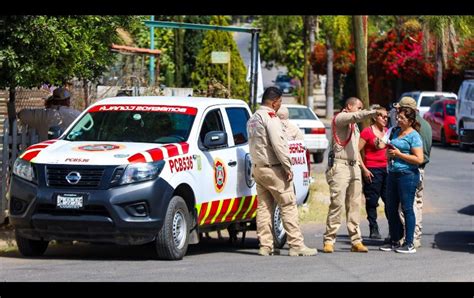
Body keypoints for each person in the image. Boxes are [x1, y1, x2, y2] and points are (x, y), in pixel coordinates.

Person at [247, 86, 317, 257]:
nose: (280, 105)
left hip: (258, 168)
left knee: (264, 207)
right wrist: (287, 166)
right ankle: (296, 245)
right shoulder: (270, 118)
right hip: (274, 169)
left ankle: (265, 246)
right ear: (274, 101)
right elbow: (279, 144)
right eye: (279, 102)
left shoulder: (253, 118)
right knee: (288, 205)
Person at [323, 97, 378, 253]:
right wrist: (372, 112)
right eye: (358, 107)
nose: (360, 111)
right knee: (337, 204)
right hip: (340, 167)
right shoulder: (341, 118)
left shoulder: (354, 126)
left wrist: (363, 167)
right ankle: (329, 239)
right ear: (349, 106)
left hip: (354, 167)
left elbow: (355, 149)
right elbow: (355, 116)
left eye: (362, 108)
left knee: (354, 205)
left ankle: (356, 240)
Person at [379, 106, 424, 254]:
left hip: (408, 175)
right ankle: (394, 239)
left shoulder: (414, 136)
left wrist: (399, 154)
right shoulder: (395, 131)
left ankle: (409, 243)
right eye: (398, 117)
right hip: (392, 173)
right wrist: (389, 153)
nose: (398, 119)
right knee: (390, 208)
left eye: (402, 118)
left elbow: (419, 159)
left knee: (407, 208)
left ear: (410, 121)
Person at [393, 97, 432, 248]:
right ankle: (416, 235)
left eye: (400, 109)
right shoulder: (427, 125)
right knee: (418, 204)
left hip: (411, 168)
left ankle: (410, 237)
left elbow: (417, 153)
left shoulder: (415, 128)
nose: (397, 112)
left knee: (407, 206)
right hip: (421, 168)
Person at [358, 106, 389, 239]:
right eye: (382, 116)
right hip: (372, 169)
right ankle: (373, 227)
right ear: (375, 117)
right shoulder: (367, 132)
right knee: (372, 201)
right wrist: (364, 169)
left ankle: (393, 229)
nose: (385, 118)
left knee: (389, 200)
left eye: (386, 117)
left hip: (387, 170)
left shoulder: (388, 132)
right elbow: (357, 151)